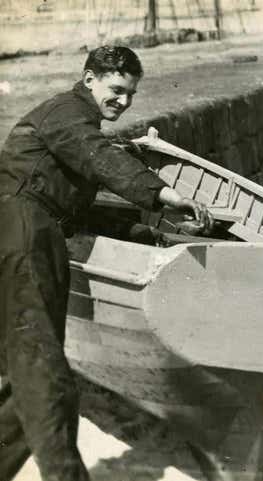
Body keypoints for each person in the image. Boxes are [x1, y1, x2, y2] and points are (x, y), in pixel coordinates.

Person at [0, 46, 214, 480]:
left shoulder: (72, 122)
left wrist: (151, 232)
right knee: (45, 377)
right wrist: (164, 194)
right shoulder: (66, 112)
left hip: (28, 232)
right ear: (89, 79)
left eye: (131, 94)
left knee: (19, 381)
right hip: (23, 234)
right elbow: (98, 155)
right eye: (116, 89)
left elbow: (80, 208)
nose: (124, 101)